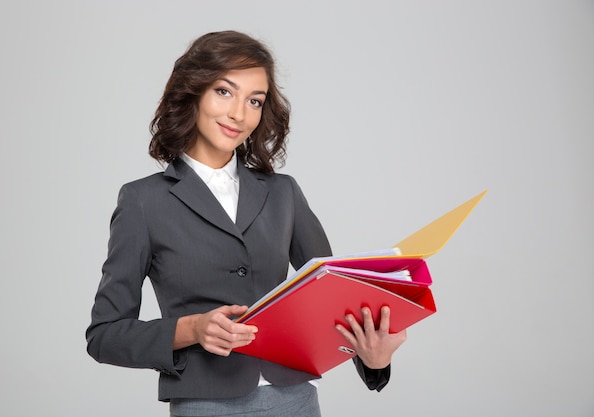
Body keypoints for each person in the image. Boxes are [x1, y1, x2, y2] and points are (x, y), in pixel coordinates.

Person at [86, 30, 407, 417]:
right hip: (205, 404)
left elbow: (334, 298)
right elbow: (104, 336)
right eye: (225, 92)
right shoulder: (143, 201)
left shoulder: (283, 193)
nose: (239, 113)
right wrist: (191, 329)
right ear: (193, 92)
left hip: (295, 400)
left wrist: (375, 362)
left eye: (254, 100)